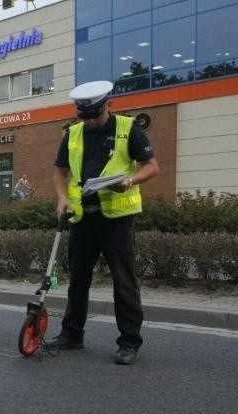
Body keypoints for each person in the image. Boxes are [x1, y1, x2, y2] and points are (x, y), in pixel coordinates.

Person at [47, 80, 159, 365]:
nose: (91, 121)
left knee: (124, 282)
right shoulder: (72, 133)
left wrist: (130, 180)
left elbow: (152, 167)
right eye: (85, 116)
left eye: (95, 115)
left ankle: (129, 342)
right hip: (84, 217)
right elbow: (60, 172)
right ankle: (72, 334)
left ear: (109, 104)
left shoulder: (129, 129)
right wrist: (62, 199)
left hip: (117, 221)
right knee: (78, 280)